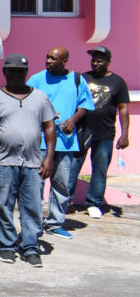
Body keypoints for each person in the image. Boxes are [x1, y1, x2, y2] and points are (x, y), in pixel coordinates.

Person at [0, 53, 56, 268]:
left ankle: (30, 247)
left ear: (27, 72)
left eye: (21, 71)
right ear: (4, 72)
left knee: (32, 207)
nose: (17, 75)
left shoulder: (40, 97)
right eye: (12, 71)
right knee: (4, 205)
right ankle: (7, 245)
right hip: (4, 161)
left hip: (33, 162)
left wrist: (49, 158)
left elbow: (49, 127)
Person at [27, 47, 95, 239]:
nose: (48, 61)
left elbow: (85, 104)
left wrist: (73, 120)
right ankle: (34, 223)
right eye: (47, 57)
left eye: (53, 58)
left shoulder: (77, 79)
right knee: (36, 184)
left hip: (66, 143)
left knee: (61, 185)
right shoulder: (36, 80)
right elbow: (26, 103)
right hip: (40, 142)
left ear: (64, 61)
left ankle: (55, 223)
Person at [80, 46, 130, 218]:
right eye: (93, 60)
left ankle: (93, 203)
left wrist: (125, 134)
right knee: (72, 167)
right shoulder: (83, 78)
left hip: (105, 132)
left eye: (99, 61)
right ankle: (66, 200)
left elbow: (123, 109)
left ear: (108, 62)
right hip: (82, 131)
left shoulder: (118, 82)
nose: (95, 63)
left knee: (100, 169)